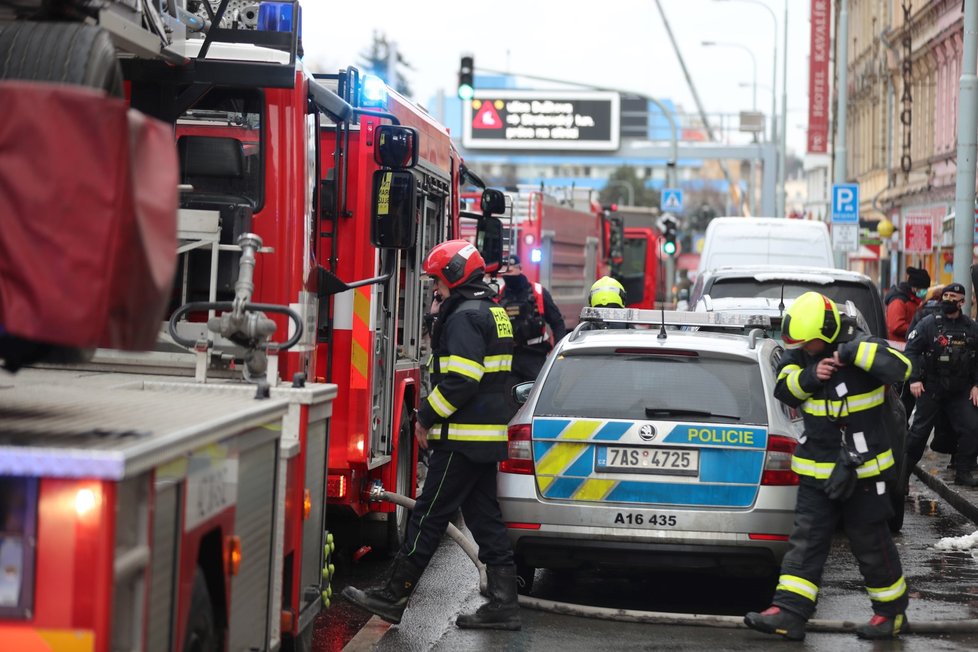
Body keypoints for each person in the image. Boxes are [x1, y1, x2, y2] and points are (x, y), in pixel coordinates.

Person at [341, 240, 520, 630]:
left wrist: (423, 417)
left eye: (437, 282)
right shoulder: (492, 311)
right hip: (484, 439)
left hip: (461, 439)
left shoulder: (463, 317)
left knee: (427, 517)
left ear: (454, 276)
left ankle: (393, 596)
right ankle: (504, 603)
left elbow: (462, 379)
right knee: (485, 519)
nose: (435, 291)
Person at [744, 291, 911, 641]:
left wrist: (853, 353)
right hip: (817, 473)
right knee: (806, 542)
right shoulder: (800, 356)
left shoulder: (863, 352)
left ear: (830, 332)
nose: (807, 348)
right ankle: (789, 613)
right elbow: (785, 389)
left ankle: (891, 613)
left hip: (864, 473)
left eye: (813, 343)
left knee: (870, 542)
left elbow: (904, 367)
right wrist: (811, 376)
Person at [902, 282, 978, 487]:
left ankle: (964, 472)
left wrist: (976, 385)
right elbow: (911, 351)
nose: (948, 301)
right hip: (932, 388)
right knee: (918, 434)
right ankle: (902, 478)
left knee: (972, 427)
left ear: (962, 302)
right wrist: (915, 379)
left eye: (953, 297)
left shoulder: (971, 328)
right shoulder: (929, 324)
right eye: (946, 296)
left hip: (960, 390)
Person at [498, 254, 566, 384]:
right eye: (505, 272)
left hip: (535, 356)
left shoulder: (538, 292)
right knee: (510, 400)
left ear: (520, 269)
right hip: (510, 359)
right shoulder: (499, 296)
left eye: (511, 271)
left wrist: (559, 352)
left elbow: (557, 323)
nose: (508, 276)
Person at [884, 266, 931, 341]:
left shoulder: (914, 299)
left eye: (926, 289)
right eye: (923, 288)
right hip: (898, 345)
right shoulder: (898, 301)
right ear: (915, 287)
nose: (925, 292)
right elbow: (896, 326)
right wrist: (919, 328)